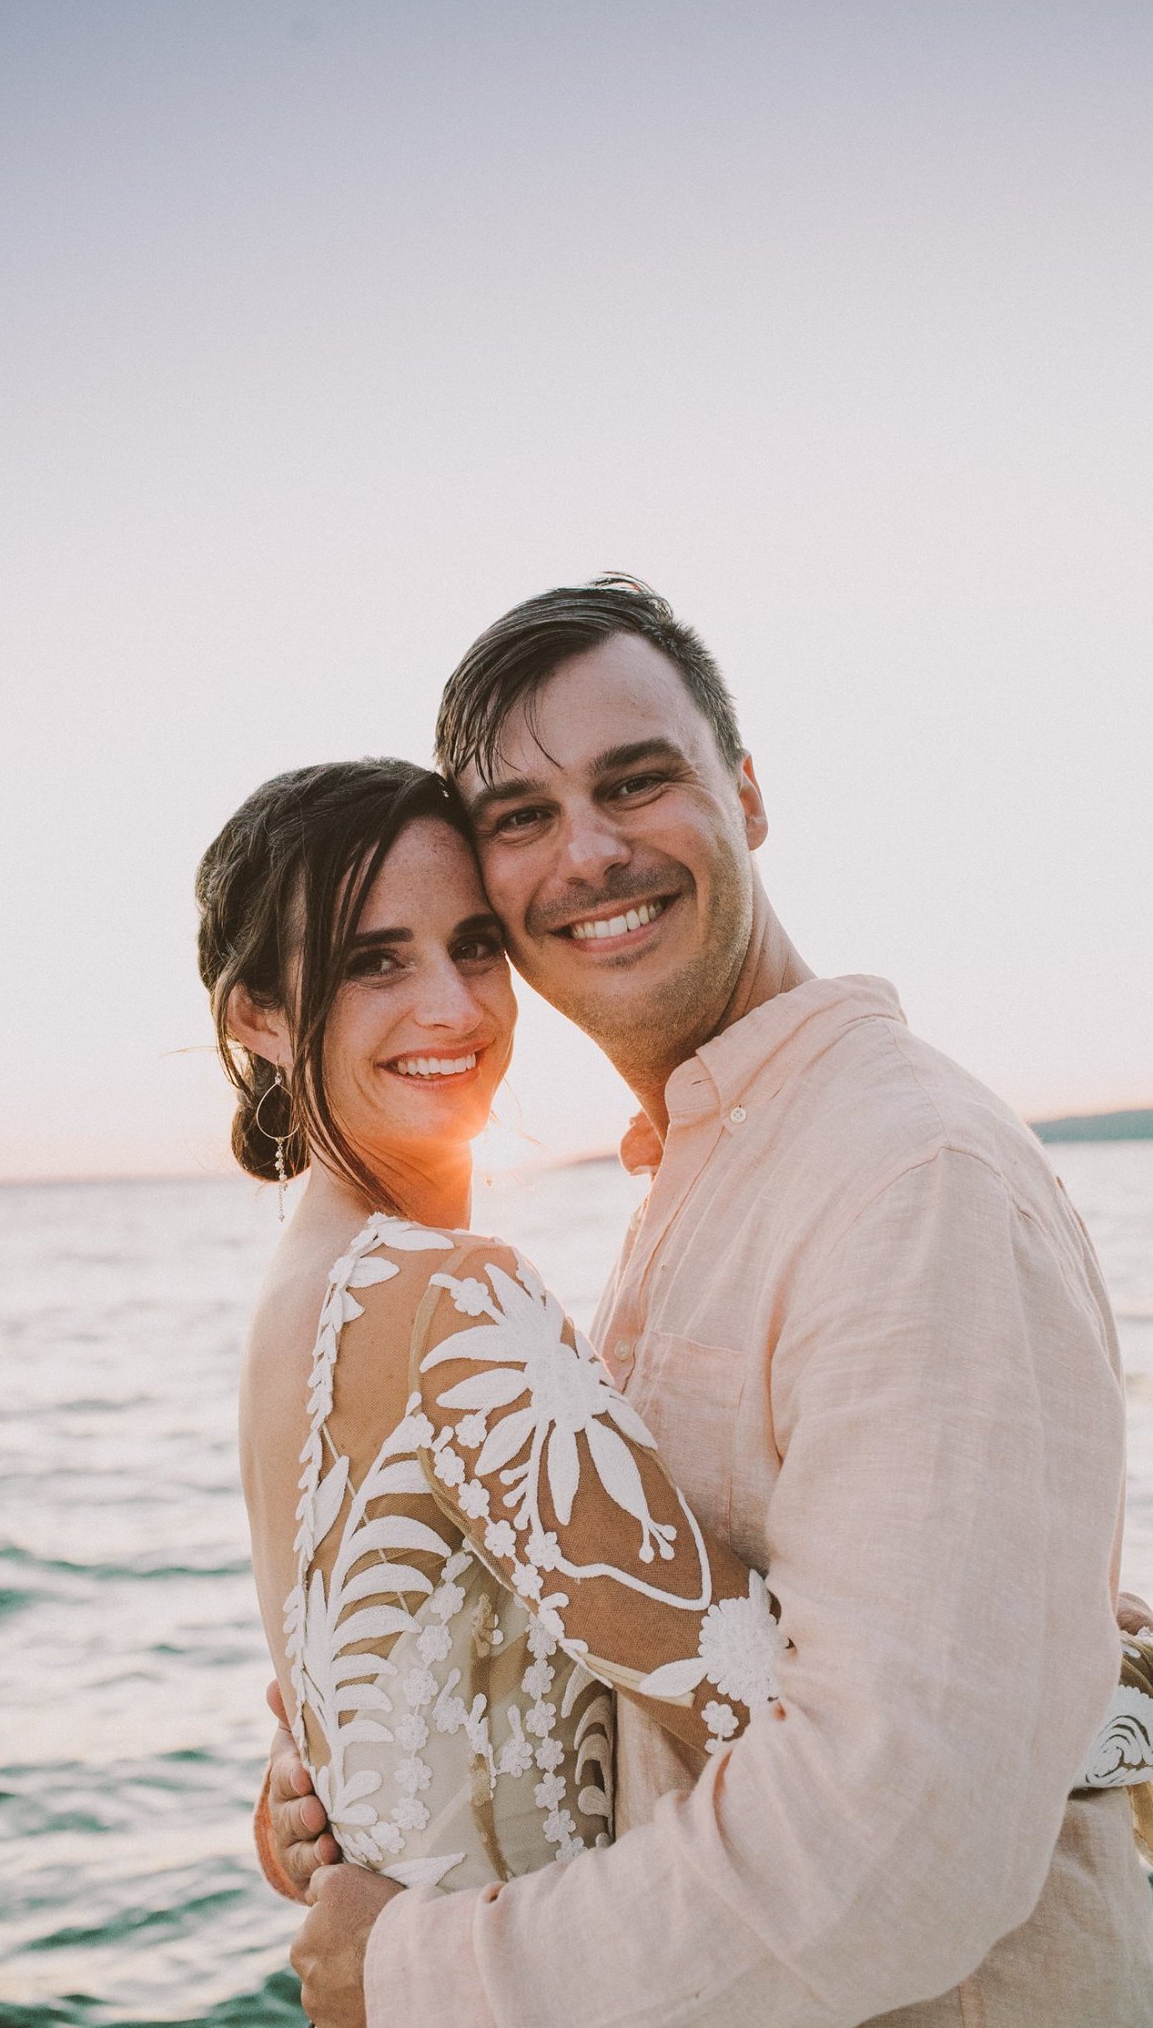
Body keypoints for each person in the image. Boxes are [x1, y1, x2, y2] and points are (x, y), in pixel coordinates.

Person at [271, 579, 1153, 2027]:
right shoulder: (717, 1174)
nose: (589, 853)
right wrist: (379, 1769)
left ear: (743, 795)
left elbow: (899, 1850)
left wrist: (417, 1970)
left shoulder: (900, 1174)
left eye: (637, 781)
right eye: (521, 818)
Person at [194, 758, 794, 1907]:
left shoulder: (302, 1294)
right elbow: (775, 1710)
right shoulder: (445, 1296)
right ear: (259, 1017)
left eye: (475, 944)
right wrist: (1104, 1676)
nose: (456, 1006)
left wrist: (294, 1817)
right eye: (377, 959)